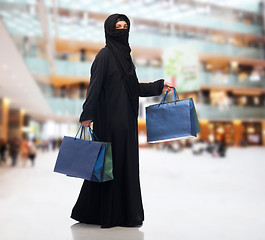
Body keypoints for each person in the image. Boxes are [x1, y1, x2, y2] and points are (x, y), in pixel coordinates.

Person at [71, 13, 173, 228]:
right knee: (107, 166)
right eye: (118, 26)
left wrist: (158, 86)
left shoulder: (126, 58)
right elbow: (95, 86)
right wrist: (87, 115)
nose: (122, 30)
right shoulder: (104, 55)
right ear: (109, 29)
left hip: (127, 122)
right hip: (108, 121)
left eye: (125, 26)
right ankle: (106, 214)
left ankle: (125, 214)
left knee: (124, 166)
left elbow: (133, 88)